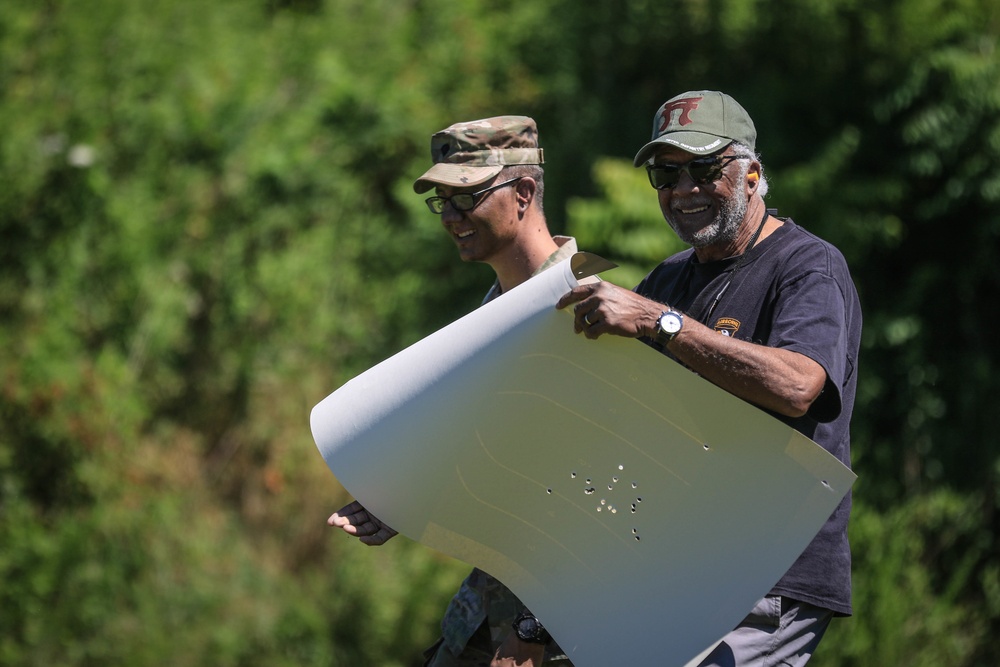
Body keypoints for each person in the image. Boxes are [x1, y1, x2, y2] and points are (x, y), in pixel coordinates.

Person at [557, 90, 862, 666]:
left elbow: (799, 387)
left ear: (751, 175)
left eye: (704, 168)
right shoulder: (668, 278)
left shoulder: (807, 266)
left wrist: (657, 322)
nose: (684, 189)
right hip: (669, 563)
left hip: (764, 575)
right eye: (665, 173)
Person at [328, 116, 577, 667]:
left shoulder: (582, 313)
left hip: (556, 632)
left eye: (466, 197)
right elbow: (498, 459)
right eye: (442, 202)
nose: (451, 218)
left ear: (524, 192)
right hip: (483, 618)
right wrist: (405, 500)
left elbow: (592, 492)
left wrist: (534, 629)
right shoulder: (496, 313)